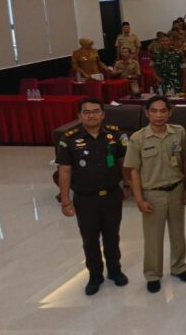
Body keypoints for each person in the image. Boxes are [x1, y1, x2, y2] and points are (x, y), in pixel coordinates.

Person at [56, 98, 129, 295]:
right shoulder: (68, 138)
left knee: (112, 236)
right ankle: (95, 275)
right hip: (85, 198)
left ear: (103, 114)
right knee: (90, 239)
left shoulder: (115, 134)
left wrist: (127, 184)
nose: (92, 115)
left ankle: (115, 270)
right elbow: (64, 171)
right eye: (86, 112)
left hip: (112, 195)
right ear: (79, 115)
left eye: (96, 111)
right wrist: (65, 200)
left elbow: (123, 161)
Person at [124, 96, 186, 293]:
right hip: (153, 194)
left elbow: (185, 160)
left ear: (169, 112)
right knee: (153, 237)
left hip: (176, 190)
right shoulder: (138, 138)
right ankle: (153, 274)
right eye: (154, 111)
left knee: (178, 233)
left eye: (163, 111)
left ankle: (179, 267)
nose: (159, 115)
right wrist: (139, 199)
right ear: (147, 113)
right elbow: (133, 172)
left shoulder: (178, 132)